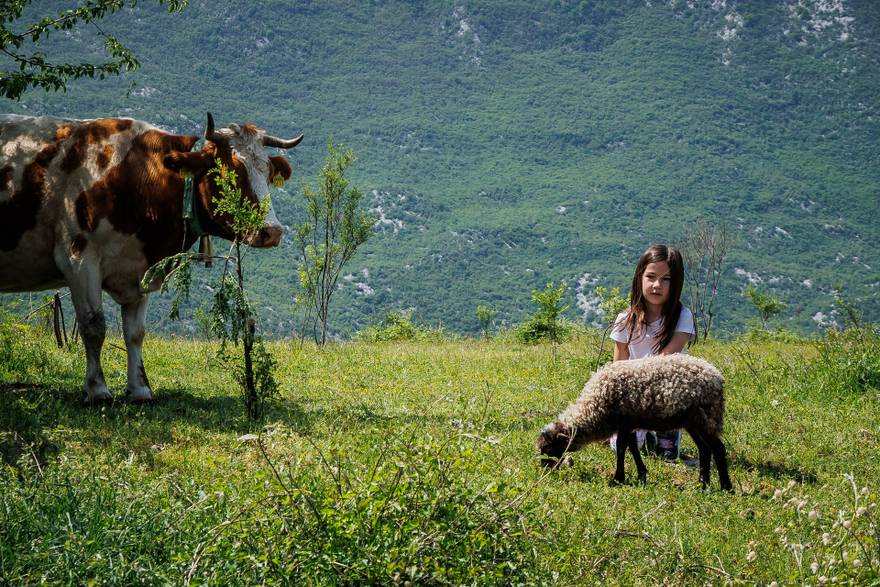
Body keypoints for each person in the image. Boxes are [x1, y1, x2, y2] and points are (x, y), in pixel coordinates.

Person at [608, 243, 696, 461]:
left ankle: (666, 433)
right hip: (635, 392)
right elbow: (618, 367)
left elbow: (665, 360)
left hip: (666, 387)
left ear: (676, 283)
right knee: (620, 445)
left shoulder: (682, 316)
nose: (657, 285)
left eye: (666, 279)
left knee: (664, 453)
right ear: (640, 278)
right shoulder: (624, 320)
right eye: (651, 277)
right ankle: (643, 435)